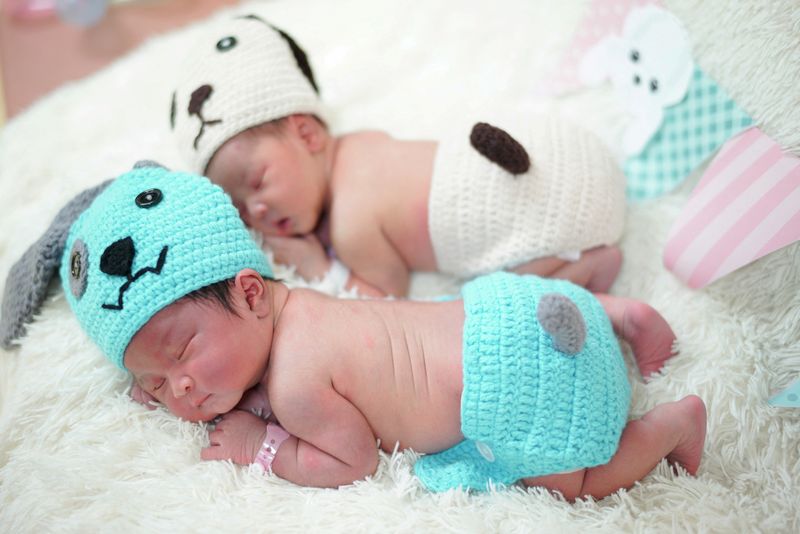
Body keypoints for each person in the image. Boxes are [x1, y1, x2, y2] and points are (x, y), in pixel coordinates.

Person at [38, 163, 704, 500]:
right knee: (490, 303)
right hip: (516, 312)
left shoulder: (297, 384)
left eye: (181, 353)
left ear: (248, 292)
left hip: (517, 388)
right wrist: (160, 372)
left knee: (573, 484)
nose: (177, 389)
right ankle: (613, 312)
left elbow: (350, 459)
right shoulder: (304, 307)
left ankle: (671, 425)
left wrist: (259, 447)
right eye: (154, 384)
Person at [170, 14, 628, 298]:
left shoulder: (353, 225)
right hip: (569, 151)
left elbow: (385, 301)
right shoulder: (363, 143)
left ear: (307, 134)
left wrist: (319, 267)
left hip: (548, 213)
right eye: (242, 208)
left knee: (495, 300)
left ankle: (579, 266)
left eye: (258, 182)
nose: (258, 210)